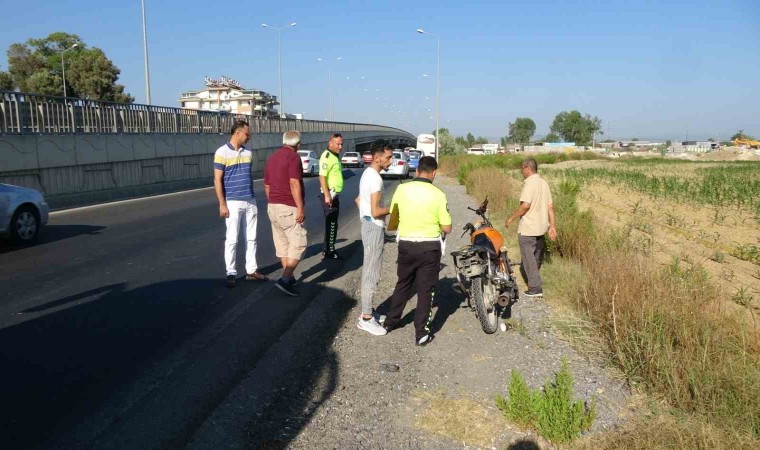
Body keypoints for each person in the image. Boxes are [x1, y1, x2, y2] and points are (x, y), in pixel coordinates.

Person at [383, 156, 452, 346]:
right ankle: (421, 332)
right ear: (434, 173)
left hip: (405, 245)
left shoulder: (402, 189)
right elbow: (447, 227)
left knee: (403, 284)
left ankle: (390, 322)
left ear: (417, 171)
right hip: (429, 247)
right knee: (425, 290)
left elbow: (394, 217)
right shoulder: (438, 194)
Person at [213, 119, 268, 288]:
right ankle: (231, 272)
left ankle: (251, 270)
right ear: (237, 133)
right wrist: (222, 203)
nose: (249, 136)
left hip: (250, 199)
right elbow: (217, 179)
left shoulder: (248, 152)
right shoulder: (222, 152)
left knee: (252, 237)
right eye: (247, 133)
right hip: (233, 201)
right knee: (232, 238)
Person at [355, 139, 394, 336]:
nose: (391, 160)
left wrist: (365, 217)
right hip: (373, 227)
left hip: (368, 225)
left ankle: (369, 312)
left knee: (371, 270)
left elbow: (358, 200)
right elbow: (376, 210)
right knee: (372, 273)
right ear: (377, 157)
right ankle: (366, 317)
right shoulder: (376, 178)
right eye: (388, 157)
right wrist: (395, 209)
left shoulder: (367, 174)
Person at [505, 157, 557, 298]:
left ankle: (535, 288)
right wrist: (552, 226)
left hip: (528, 228)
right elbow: (550, 207)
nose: (522, 171)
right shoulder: (544, 183)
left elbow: (525, 206)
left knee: (528, 260)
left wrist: (511, 217)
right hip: (541, 228)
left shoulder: (529, 184)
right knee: (536, 257)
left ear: (528, 168)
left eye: (522, 168)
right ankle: (534, 282)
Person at [264, 130, 307, 297]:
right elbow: (294, 182)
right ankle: (284, 280)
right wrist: (300, 207)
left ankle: (289, 279)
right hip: (288, 207)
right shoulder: (293, 157)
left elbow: (267, 185)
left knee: (283, 245)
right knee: (298, 244)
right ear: (298, 144)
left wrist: (273, 201)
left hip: (273, 206)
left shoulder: (272, 157)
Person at [319, 133, 344, 260]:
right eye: (338, 144)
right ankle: (330, 251)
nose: (340, 147)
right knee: (332, 223)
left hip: (334, 194)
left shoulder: (335, 156)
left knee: (332, 223)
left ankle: (327, 248)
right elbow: (322, 176)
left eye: (341, 144)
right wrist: (327, 195)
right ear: (330, 143)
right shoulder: (327, 156)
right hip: (329, 195)